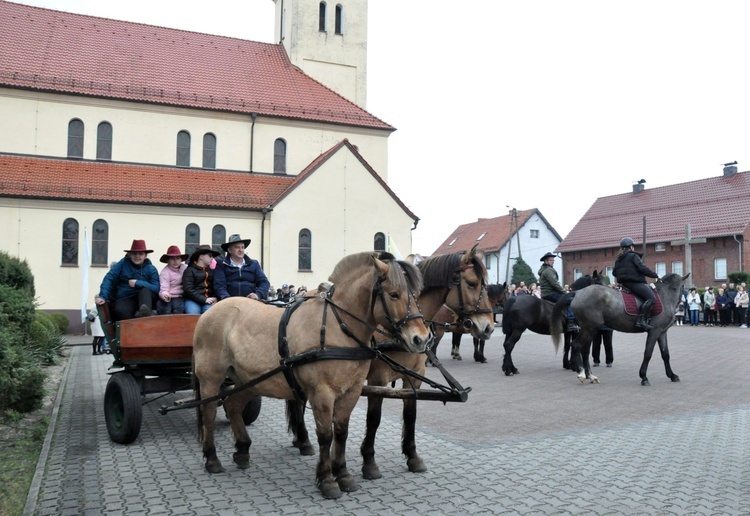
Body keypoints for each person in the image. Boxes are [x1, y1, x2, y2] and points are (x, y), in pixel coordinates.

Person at [95, 239, 159, 320]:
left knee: (145, 291)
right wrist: (103, 296)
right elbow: (109, 278)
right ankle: (130, 326)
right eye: (134, 253)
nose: (137, 256)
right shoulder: (122, 264)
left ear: (145, 256)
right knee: (120, 311)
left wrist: (138, 283)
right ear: (130, 254)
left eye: (141, 254)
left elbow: (156, 288)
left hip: (145, 299)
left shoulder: (151, 269)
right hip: (126, 297)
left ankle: (144, 315)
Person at [612, 237, 659, 331]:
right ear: (631, 247)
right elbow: (642, 268)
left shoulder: (618, 259)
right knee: (651, 298)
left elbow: (614, 273)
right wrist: (655, 275)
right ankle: (641, 319)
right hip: (635, 283)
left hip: (624, 285)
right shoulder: (633, 256)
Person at [213, 234, 270, 301]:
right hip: (229, 301)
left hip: (251, 301)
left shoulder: (254, 264)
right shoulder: (221, 265)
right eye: (237, 247)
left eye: (242, 247)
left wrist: (258, 295)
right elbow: (219, 285)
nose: (241, 250)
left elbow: (264, 282)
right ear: (229, 250)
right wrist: (226, 298)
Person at [538, 251, 578, 332]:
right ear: (546, 261)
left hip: (546, 293)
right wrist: (564, 292)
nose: (553, 261)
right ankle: (571, 322)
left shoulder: (544, 270)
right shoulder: (548, 270)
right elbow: (554, 284)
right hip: (550, 293)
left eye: (553, 260)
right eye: (551, 260)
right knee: (570, 300)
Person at [182, 245, 221, 314]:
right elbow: (188, 289)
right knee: (193, 316)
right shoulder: (189, 270)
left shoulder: (211, 271)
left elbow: (216, 286)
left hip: (209, 300)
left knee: (211, 316)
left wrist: (215, 297)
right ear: (201, 257)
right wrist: (204, 299)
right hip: (192, 300)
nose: (212, 258)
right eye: (210, 255)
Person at [156, 245, 188, 315]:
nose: (175, 261)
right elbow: (164, 288)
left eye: (177, 258)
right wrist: (165, 295)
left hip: (182, 296)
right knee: (164, 308)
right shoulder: (165, 272)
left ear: (181, 260)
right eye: (172, 259)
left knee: (178, 308)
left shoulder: (186, 268)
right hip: (170, 295)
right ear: (168, 260)